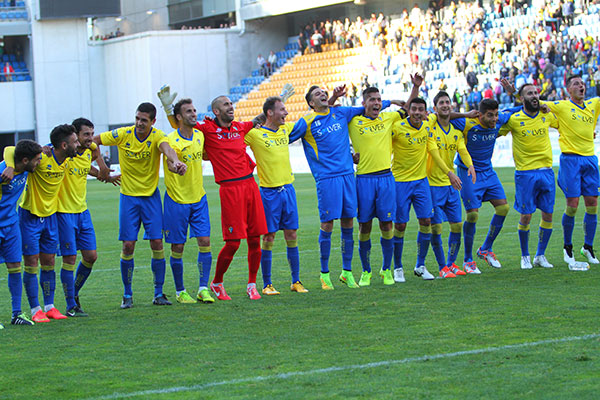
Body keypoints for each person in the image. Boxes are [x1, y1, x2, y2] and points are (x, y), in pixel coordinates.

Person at [158, 86, 270, 300]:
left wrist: (275, 104)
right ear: (216, 111)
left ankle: (252, 284)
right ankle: (217, 282)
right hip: (230, 189)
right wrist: (168, 108)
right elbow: (181, 124)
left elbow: (257, 120)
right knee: (234, 242)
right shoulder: (206, 129)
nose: (231, 107)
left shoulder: (239, 127)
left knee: (256, 238)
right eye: (226, 104)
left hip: (250, 185)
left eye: (231, 104)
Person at [289, 85, 393, 290]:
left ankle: (346, 272)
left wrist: (392, 102)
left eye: (324, 92)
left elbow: (368, 107)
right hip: (327, 179)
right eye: (317, 94)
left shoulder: (341, 113)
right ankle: (324, 274)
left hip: (348, 176)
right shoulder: (307, 122)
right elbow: (285, 138)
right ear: (311, 102)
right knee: (327, 224)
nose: (323, 95)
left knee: (348, 223)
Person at [93, 102, 187, 309]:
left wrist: (176, 162)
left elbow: (168, 149)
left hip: (150, 198)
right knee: (128, 245)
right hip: (129, 198)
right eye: (137, 118)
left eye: (143, 120)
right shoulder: (123, 134)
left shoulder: (157, 136)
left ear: (152, 121)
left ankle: (158, 292)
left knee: (157, 244)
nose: (138, 123)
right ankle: (127, 294)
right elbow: (94, 141)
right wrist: (102, 166)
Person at [347, 78, 419, 286]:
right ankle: (366, 271)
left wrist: (414, 86)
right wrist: (349, 154)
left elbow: (407, 107)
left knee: (387, 223)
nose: (377, 103)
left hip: (386, 178)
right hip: (364, 180)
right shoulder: (354, 121)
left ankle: (386, 270)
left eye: (379, 100)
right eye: (372, 100)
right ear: (364, 103)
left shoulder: (388, 119)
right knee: (365, 225)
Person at [244, 96, 308, 294]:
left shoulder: (284, 130)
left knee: (292, 234)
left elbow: (308, 120)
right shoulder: (255, 134)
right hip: (269, 192)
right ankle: (267, 284)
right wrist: (261, 116)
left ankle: (296, 281)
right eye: (282, 109)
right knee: (269, 236)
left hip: (288, 190)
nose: (286, 113)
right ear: (269, 113)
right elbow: (238, 135)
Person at [56, 118, 118, 316]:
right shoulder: (64, 152)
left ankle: (73, 293)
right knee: (70, 258)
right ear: (75, 136)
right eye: (86, 135)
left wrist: (103, 172)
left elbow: (88, 169)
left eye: (92, 134)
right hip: (64, 212)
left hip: (83, 212)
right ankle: (70, 305)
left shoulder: (87, 151)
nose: (91, 139)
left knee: (91, 256)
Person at [17, 125, 79, 322]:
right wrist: (10, 166)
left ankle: (50, 306)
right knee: (31, 263)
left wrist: (103, 170)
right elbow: (13, 152)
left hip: (50, 218)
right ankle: (35, 309)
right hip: (30, 216)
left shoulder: (68, 160)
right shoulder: (41, 158)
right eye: (74, 142)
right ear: (63, 145)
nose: (77, 144)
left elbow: (91, 149)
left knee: (49, 262)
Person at [450, 99, 517, 273]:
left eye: (496, 114)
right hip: (468, 172)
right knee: (472, 215)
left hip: (488, 171)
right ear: (480, 114)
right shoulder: (466, 122)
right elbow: (441, 116)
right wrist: (464, 113)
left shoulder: (499, 119)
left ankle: (485, 248)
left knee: (503, 208)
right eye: (490, 115)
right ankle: (468, 260)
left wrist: (539, 105)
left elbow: (516, 109)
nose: (495, 119)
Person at [542, 76, 600, 266]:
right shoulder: (562, 106)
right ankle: (567, 247)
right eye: (576, 84)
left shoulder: (594, 103)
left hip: (590, 159)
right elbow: (536, 102)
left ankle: (588, 247)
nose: (581, 86)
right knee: (573, 205)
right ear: (568, 90)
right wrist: (514, 93)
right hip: (571, 160)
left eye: (582, 84)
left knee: (592, 204)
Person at [498, 84, 557, 269]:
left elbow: (564, 124)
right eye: (529, 93)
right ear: (521, 98)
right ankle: (525, 256)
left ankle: (540, 255)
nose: (534, 96)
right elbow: (494, 131)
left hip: (546, 171)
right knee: (526, 216)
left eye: (536, 93)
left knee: (548, 214)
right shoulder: (514, 119)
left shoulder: (546, 114)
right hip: (525, 174)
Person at [162, 99, 215, 304]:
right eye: (189, 111)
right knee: (178, 247)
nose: (194, 114)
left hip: (198, 198)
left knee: (205, 242)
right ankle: (180, 291)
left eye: (194, 110)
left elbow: (205, 155)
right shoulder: (171, 140)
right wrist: (176, 165)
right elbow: (170, 160)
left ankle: (203, 288)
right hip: (177, 200)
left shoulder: (200, 135)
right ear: (178, 117)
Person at [427, 91, 476, 278]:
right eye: (441, 103)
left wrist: (470, 166)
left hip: (451, 186)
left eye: (448, 102)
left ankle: (451, 263)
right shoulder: (431, 128)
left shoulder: (456, 133)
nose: (445, 105)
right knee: (436, 227)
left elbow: (462, 151)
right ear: (435, 107)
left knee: (456, 225)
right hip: (433, 184)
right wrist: (449, 173)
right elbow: (434, 154)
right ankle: (442, 267)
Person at [0, 140, 42, 326]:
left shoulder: (22, 167)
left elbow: (9, 148)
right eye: (37, 160)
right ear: (25, 160)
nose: (39, 163)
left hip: (11, 224)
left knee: (15, 267)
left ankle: (16, 313)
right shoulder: (3, 171)